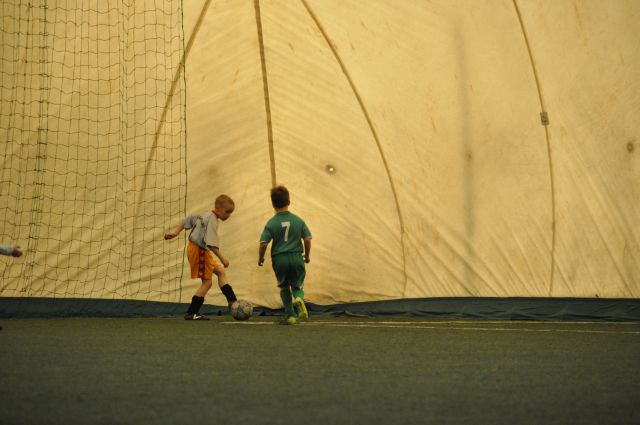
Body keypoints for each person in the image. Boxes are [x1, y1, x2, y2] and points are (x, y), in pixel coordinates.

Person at [165, 194, 238, 320]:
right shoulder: (212, 220)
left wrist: (175, 232)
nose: (228, 216)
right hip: (199, 251)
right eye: (227, 212)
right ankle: (192, 312)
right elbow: (211, 243)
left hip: (199, 249)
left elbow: (188, 219)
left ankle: (232, 302)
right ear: (218, 208)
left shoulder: (205, 215)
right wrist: (223, 258)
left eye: (230, 213)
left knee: (220, 272)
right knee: (207, 283)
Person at [258, 185, 312, 325]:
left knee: (284, 287)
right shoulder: (298, 221)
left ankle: (291, 315)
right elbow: (307, 238)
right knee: (297, 286)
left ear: (273, 204)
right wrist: (306, 255)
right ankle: (299, 298)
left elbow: (263, 242)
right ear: (289, 201)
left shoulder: (271, 223)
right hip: (296, 256)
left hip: (279, 258)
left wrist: (261, 257)